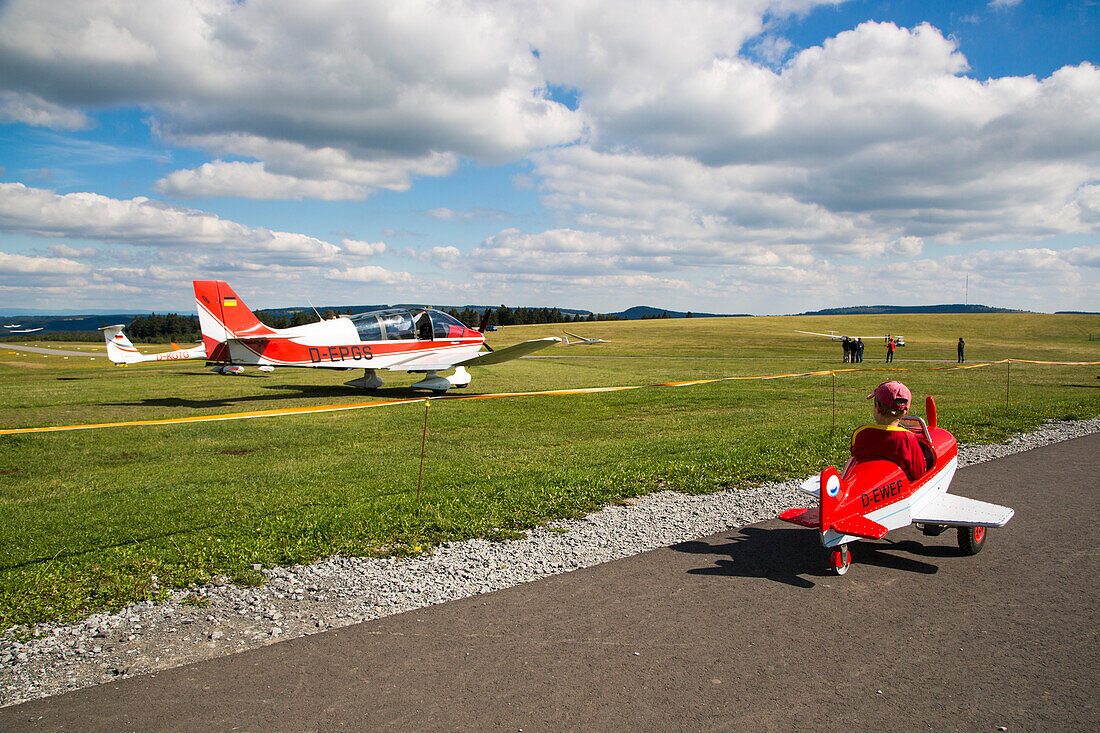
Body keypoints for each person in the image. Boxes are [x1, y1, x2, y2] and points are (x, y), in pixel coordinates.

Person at [851, 380, 927, 481]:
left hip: (864, 482)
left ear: (877, 407)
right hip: (895, 488)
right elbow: (919, 472)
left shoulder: (860, 433)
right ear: (906, 412)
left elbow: (854, 458)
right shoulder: (908, 438)